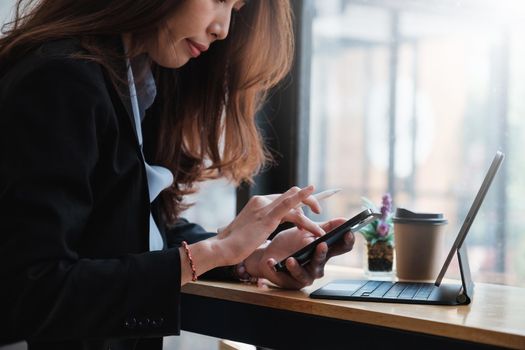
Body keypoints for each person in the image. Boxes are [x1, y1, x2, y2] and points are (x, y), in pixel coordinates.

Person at [0, 1, 356, 349]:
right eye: (218, 0)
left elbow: (134, 231)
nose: (223, 29)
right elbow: (31, 292)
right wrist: (216, 250)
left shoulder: (138, 79)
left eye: (235, 9)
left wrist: (248, 257)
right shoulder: (61, 79)